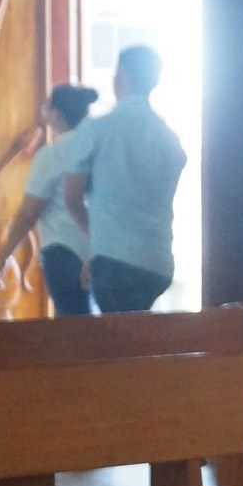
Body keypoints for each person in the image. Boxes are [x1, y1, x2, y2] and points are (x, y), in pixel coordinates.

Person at [63, 45, 185, 314]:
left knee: (120, 338)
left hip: (114, 262)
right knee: (139, 333)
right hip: (158, 262)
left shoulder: (97, 129)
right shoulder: (170, 139)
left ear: (120, 76)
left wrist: (99, 242)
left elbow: (71, 199)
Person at [0, 84, 99, 315]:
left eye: (47, 107)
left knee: (71, 328)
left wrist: (2, 256)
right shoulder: (100, 150)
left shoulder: (53, 154)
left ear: (56, 114)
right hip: (102, 252)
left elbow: (28, 214)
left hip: (64, 251)